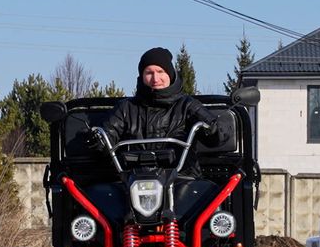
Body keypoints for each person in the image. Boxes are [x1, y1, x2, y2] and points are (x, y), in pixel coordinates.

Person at [90, 47, 225, 177]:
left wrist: (213, 130)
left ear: (170, 74)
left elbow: (217, 137)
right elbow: (108, 134)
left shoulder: (187, 105)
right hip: (133, 179)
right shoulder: (126, 108)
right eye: (149, 73)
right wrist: (98, 141)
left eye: (161, 72)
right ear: (142, 76)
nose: (155, 79)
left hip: (181, 178)